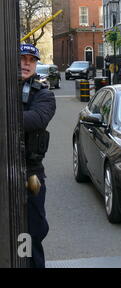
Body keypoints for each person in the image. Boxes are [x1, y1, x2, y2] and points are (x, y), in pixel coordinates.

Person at [21, 43, 56, 268]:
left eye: (31, 60)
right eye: (22, 58)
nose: (26, 63)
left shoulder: (44, 94)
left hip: (30, 173)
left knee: (31, 231)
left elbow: (36, 119)